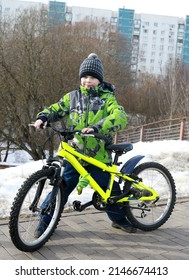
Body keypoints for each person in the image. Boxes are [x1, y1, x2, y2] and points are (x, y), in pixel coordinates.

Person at [33, 53, 136, 236]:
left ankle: (119, 220)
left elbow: (119, 117)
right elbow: (56, 108)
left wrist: (97, 127)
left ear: (99, 80)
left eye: (93, 77)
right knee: (62, 186)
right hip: (76, 153)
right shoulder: (72, 97)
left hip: (98, 155)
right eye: (85, 77)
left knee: (109, 189)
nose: (88, 81)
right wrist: (43, 117)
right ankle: (45, 221)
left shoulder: (107, 99)